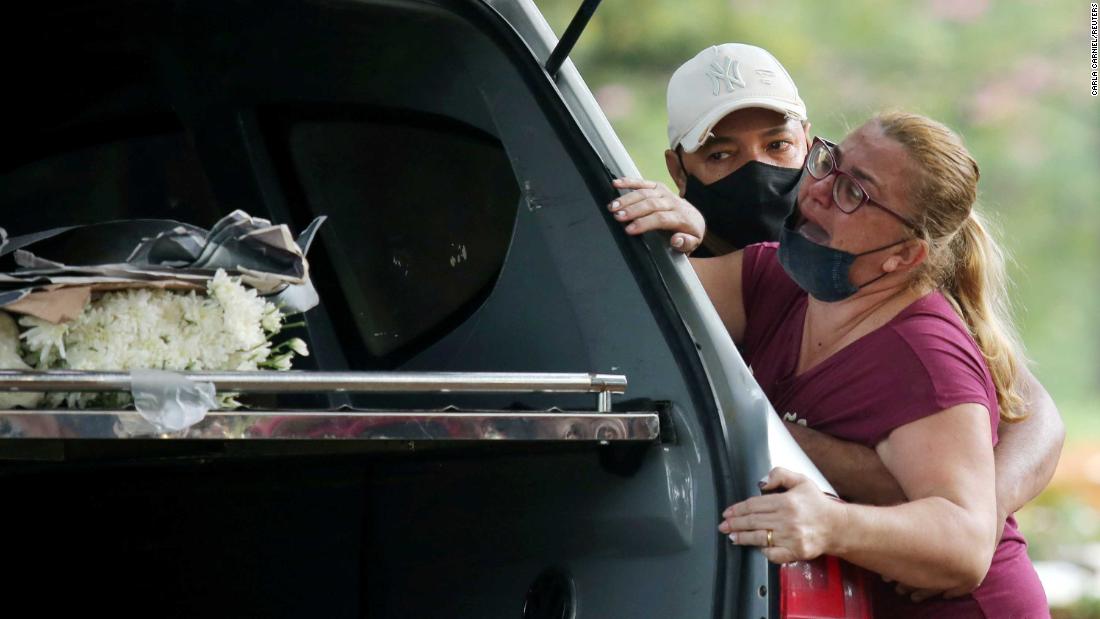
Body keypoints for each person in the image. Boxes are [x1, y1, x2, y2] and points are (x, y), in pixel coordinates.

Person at [608, 44, 1062, 603]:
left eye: (778, 146)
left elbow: (1025, 424)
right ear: (678, 169)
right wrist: (653, 243)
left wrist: (964, 516)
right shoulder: (780, 273)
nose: (813, 189)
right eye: (721, 155)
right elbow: (611, 302)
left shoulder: (910, 323)